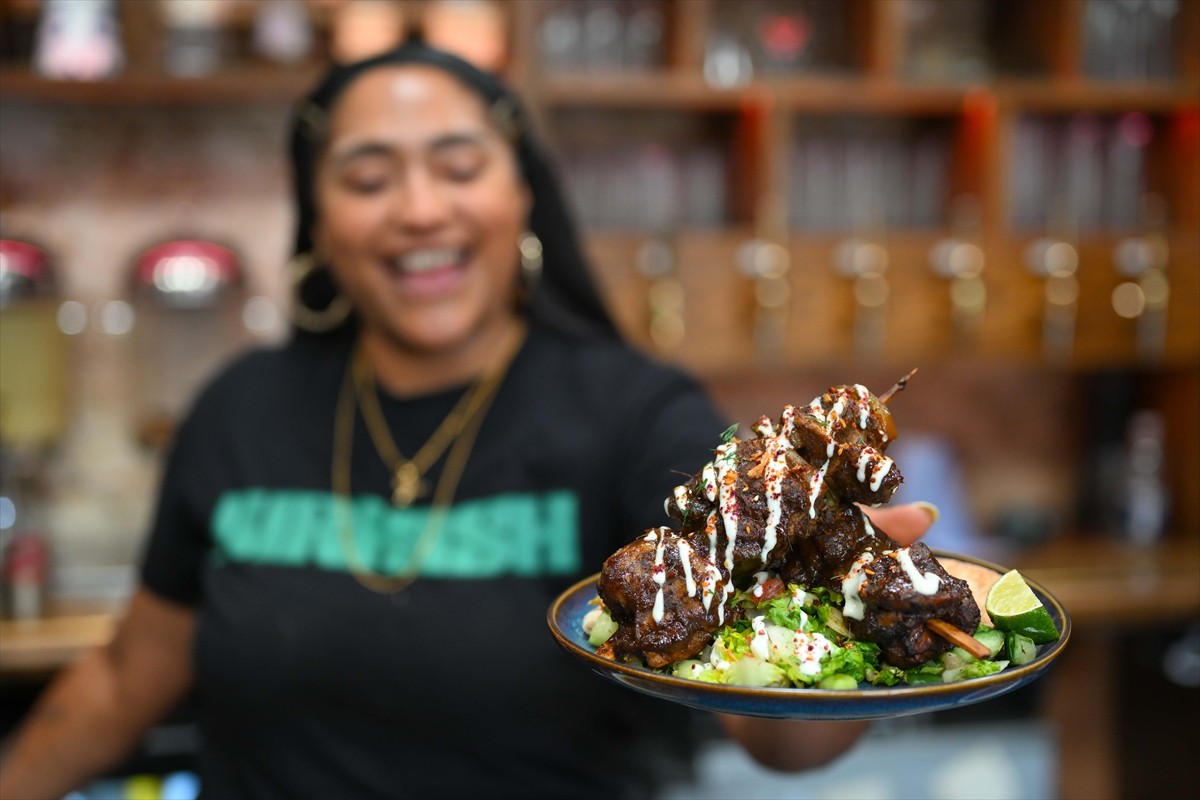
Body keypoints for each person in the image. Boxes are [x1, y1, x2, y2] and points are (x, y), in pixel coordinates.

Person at [0, 41, 937, 799]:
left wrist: (857, 611)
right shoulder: (237, 409)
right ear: (317, 224)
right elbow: (128, 677)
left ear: (521, 193)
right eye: (368, 180)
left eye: (458, 168)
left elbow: (777, 739)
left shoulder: (634, 414)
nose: (418, 210)